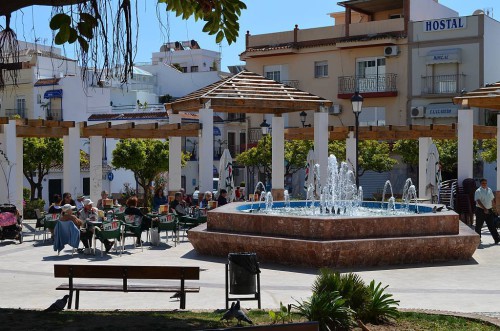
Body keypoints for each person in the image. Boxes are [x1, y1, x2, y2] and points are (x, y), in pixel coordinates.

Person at [474, 178, 500, 244]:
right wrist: (484, 209)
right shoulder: (478, 191)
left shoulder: (489, 190)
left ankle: (497, 239)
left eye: (485, 183)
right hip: (480, 210)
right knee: (478, 226)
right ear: (481, 184)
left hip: (489, 210)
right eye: (483, 183)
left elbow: (492, 200)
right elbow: (478, 201)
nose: (484, 184)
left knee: (492, 225)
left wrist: (495, 209)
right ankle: (478, 240)